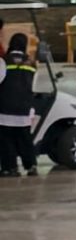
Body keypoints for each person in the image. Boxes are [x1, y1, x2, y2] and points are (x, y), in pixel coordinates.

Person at [0, 31, 38, 177]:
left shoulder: (3, 60)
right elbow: (33, 86)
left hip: (5, 107)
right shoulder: (31, 62)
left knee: (6, 139)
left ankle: (10, 168)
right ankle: (31, 166)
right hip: (24, 108)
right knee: (25, 138)